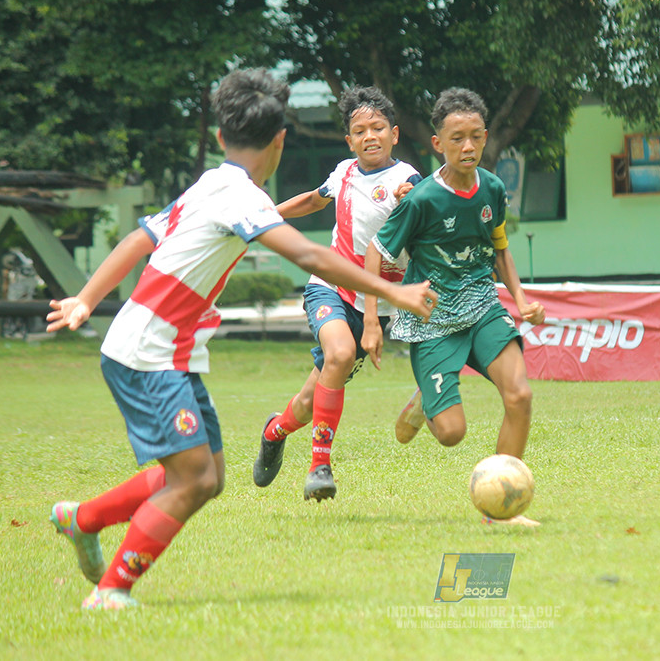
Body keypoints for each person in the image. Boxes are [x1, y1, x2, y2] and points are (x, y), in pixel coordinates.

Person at [45, 68, 437, 610]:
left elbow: (141, 236)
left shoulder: (211, 182)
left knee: (208, 477)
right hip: (146, 356)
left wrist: (86, 298)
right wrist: (395, 294)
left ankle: (81, 519)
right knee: (191, 481)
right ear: (280, 141)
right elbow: (310, 255)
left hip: (166, 352)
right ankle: (112, 591)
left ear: (222, 138)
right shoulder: (244, 200)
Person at [367, 87, 546, 527]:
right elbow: (376, 252)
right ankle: (424, 402)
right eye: (457, 138)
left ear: (485, 137)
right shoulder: (422, 198)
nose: (467, 147)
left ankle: (499, 511)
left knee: (519, 395)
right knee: (451, 434)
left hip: (483, 305)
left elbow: (500, 247)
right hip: (433, 321)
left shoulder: (494, 188)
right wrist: (372, 319)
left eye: (476, 137)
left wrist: (520, 300)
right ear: (438, 144)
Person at [253, 86, 422, 502]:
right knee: (341, 354)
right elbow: (313, 201)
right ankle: (319, 468)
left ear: (394, 134)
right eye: (360, 130)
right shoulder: (343, 171)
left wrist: (411, 200)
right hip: (330, 287)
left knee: (310, 401)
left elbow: (417, 210)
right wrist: (264, 216)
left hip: (377, 303)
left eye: (378, 127)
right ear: (349, 141)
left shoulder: (407, 180)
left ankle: (274, 432)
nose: (370, 136)